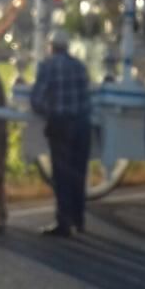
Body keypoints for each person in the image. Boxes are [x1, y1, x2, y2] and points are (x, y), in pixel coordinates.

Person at [30, 29, 92, 236]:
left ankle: (63, 222)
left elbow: (37, 99)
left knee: (61, 175)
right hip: (82, 125)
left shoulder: (47, 66)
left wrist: (47, 111)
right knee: (78, 174)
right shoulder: (80, 67)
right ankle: (79, 220)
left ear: (51, 47)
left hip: (61, 125)